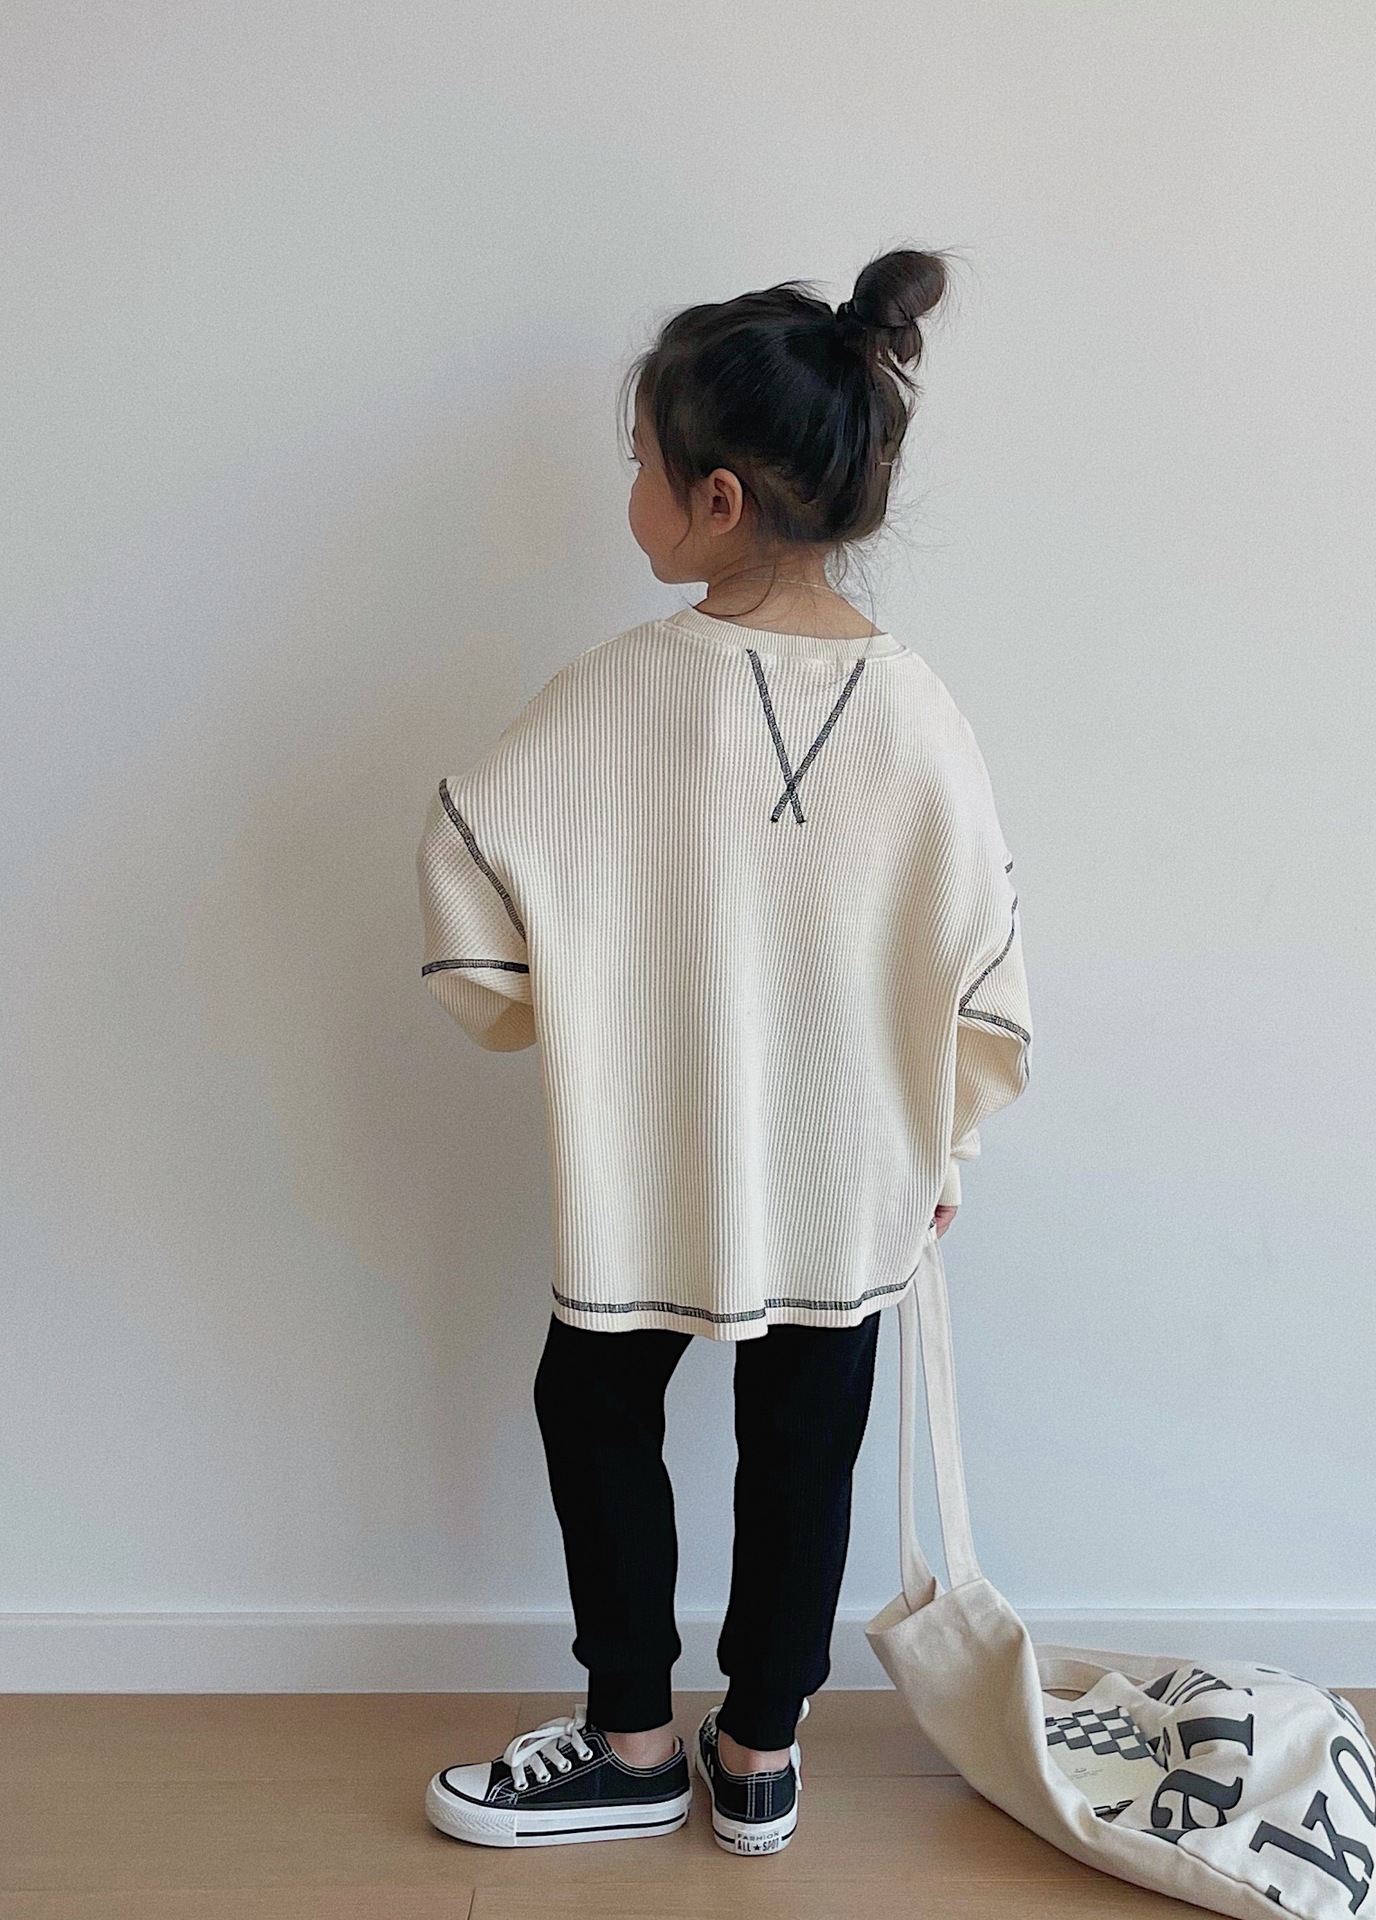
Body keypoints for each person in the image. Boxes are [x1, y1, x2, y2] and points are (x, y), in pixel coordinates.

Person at [413, 247, 1031, 1856]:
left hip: (657, 1147)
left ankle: (631, 1738)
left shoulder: (619, 689)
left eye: (638, 460)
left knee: (592, 1402)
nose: (625, 486)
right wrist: (947, 1148)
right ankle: (758, 1755)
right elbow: (982, 956)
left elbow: (468, 844)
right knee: (806, 1444)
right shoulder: (923, 712)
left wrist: (548, 1003)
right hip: (854, 1166)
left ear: (718, 499)